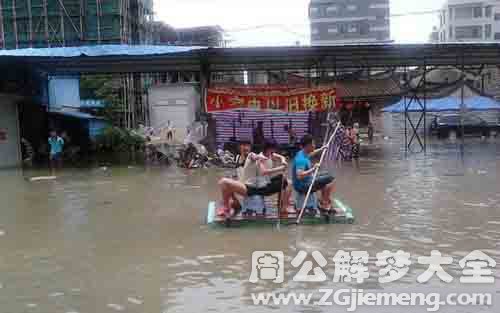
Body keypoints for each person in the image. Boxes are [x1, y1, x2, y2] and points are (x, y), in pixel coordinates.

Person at [218, 141, 290, 217]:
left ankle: (282, 207)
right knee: (223, 182)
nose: (274, 152)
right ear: (268, 149)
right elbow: (263, 171)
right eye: (273, 150)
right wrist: (280, 168)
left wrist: (283, 161)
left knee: (285, 180)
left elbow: (281, 157)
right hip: (250, 187)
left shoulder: (271, 155)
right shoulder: (253, 155)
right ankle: (228, 207)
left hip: (261, 187)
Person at [292, 134, 336, 212]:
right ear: (308, 145)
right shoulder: (301, 159)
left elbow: (311, 154)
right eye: (313, 144)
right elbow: (299, 176)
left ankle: (323, 199)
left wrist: (322, 148)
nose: (314, 145)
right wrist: (313, 169)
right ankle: (324, 203)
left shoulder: (303, 153)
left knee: (326, 174)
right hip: (302, 185)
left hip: (306, 180)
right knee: (331, 179)